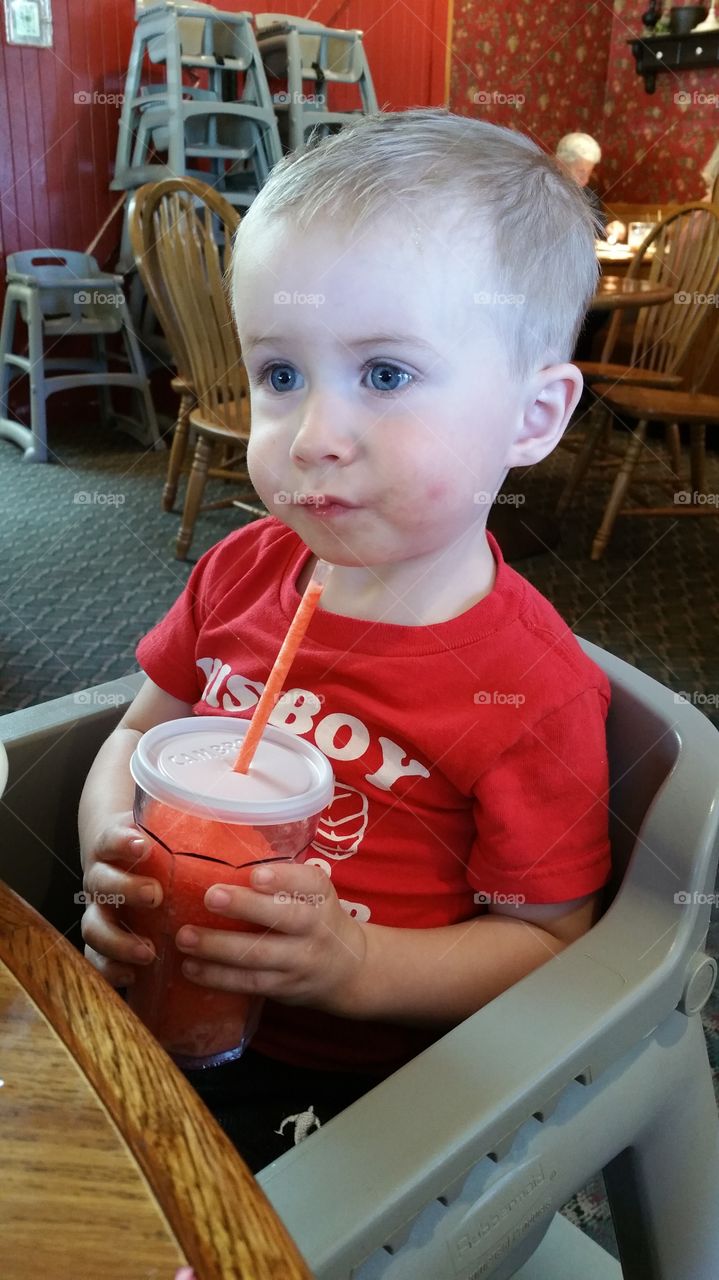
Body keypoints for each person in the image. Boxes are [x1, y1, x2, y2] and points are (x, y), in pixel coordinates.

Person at [79, 109, 612, 1173]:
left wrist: (352, 964)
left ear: (531, 417)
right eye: (280, 374)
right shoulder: (241, 570)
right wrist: (109, 851)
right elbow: (136, 735)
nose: (312, 432)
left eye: (383, 374)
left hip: (352, 1080)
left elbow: (550, 942)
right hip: (146, 983)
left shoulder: (529, 690)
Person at [555, 131, 625, 243]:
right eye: (581, 172)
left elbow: (598, 233)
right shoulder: (541, 191)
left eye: (589, 173)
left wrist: (610, 230)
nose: (586, 180)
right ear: (560, 164)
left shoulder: (589, 190)